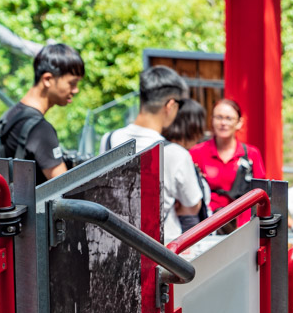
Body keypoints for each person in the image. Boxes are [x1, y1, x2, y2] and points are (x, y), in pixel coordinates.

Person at [103, 67, 202, 239]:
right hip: (163, 249)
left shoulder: (109, 140)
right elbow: (193, 206)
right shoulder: (176, 153)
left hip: (118, 244)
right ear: (170, 105)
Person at [0, 43, 84, 184]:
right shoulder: (40, 130)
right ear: (47, 79)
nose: (75, 90)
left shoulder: (12, 114)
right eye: (72, 83)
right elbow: (65, 187)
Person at [191, 98, 266, 216]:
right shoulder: (197, 152)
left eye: (229, 118)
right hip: (208, 222)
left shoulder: (252, 154)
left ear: (239, 122)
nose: (223, 123)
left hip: (243, 223)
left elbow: (261, 193)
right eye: (219, 117)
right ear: (212, 120)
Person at [161, 97, 210, 232]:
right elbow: (192, 205)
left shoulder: (159, 149)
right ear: (193, 126)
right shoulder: (179, 154)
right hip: (179, 233)